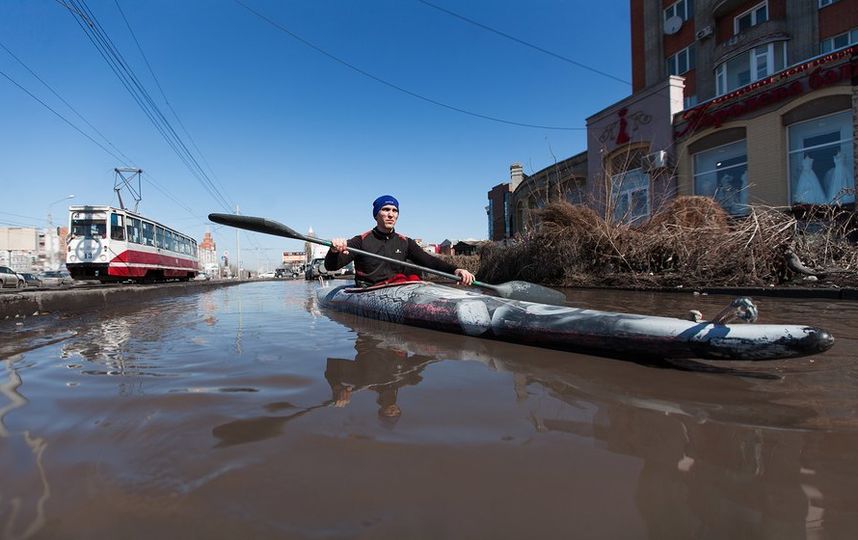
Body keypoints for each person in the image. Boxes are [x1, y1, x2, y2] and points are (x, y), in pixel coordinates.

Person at [325, 195, 476, 288]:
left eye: (394, 210)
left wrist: (456, 270)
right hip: (368, 290)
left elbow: (429, 261)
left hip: (399, 288)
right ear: (376, 215)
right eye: (385, 209)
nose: (391, 214)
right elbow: (331, 266)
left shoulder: (405, 242)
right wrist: (333, 251)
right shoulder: (360, 241)